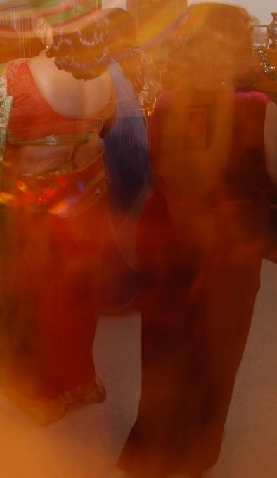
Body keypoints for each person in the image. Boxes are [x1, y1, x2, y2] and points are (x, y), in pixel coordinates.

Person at [116, 4, 277, 476]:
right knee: (214, 350)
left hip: (167, 243)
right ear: (239, 49)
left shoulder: (164, 102)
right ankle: (192, 450)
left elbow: (160, 174)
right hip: (225, 255)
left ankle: (153, 445)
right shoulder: (260, 111)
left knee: (164, 346)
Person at [0, 0, 114, 425]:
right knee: (80, 293)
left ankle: (43, 391)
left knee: (35, 295)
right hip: (89, 198)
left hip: (39, 204)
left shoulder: (14, 74)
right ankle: (80, 379)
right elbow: (103, 128)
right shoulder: (105, 74)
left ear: (45, 23)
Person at [99, 8, 153, 315]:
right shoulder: (139, 57)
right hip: (135, 138)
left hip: (118, 140)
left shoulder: (107, 65)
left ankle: (122, 291)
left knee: (117, 215)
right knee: (131, 214)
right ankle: (129, 288)